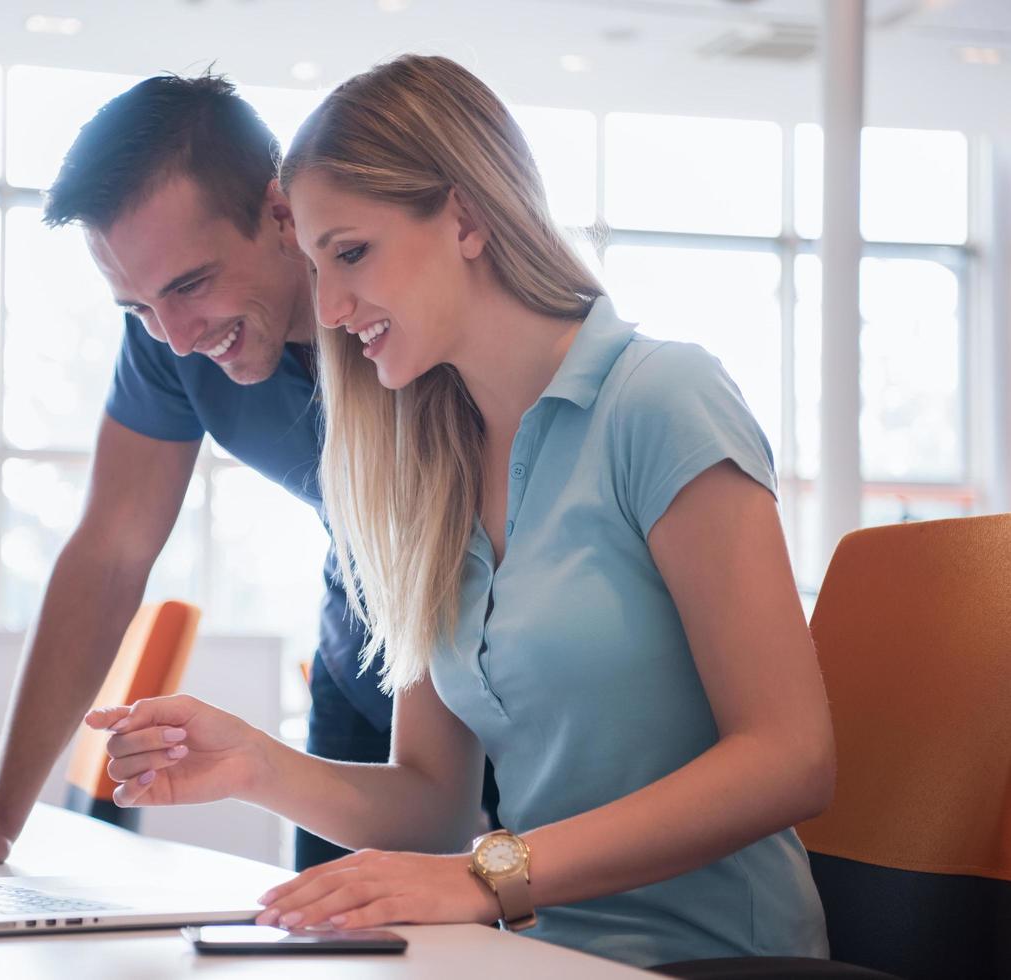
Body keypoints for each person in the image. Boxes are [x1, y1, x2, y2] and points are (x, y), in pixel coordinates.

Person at [86, 55, 834, 969]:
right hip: (538, 953)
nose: (328, 308)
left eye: (352, 253)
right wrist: (253, 764)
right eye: (316, 263)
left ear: (467, 218)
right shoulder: (426, 464)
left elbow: (792, 757)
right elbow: (435, 798)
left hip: (713, 957)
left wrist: (488, 877)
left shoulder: (660, 399)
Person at [0, 73, 498, 871]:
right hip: (367, 666)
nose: (178, 338)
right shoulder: (165, 345)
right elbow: (108, 555)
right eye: (137, 308)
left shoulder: (402, 324)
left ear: (279, 215)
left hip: (499, 674)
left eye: (190, 285)